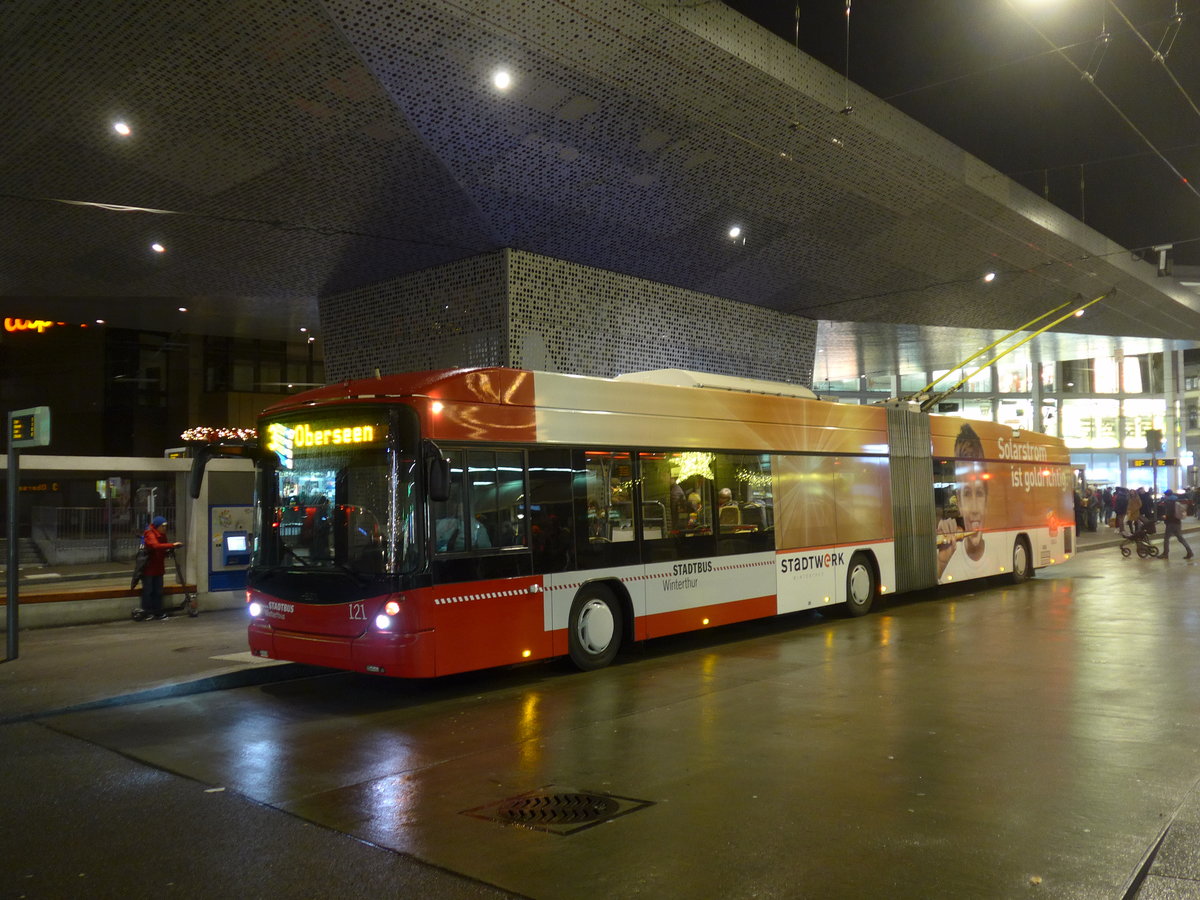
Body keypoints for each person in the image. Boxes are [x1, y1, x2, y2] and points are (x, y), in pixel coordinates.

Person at [937, 423, 988, 580]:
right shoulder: (946, 550)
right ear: (958, 500)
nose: (973, 509)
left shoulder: (1000, 551)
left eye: (979, 493)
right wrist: (941, 561)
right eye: (966, 493)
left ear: (987, 498)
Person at [140, 515, 182, 620]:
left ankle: (158, 612)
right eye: (163, 526)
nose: (165, 528)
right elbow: (155, 546)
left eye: (166, 526)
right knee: (148, 590)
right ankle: (147, 612)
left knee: (158, 591)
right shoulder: (150, 533)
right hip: (149, 568)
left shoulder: (162, 534)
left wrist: (168, 551)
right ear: (157, 526)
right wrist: (172, 545)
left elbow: (162, 547)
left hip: (158, 567)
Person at [1159, 491, 1194, 560]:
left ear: (1167, 495)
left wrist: (1165, 517)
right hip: (1177, 522)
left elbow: (1169, 513)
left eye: (1165, 495)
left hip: (1171, 523)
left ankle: (1165, 554)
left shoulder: (1169, 502)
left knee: (1166, 539)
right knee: (1180, 538)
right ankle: (1189, 552)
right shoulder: (1176, 500)